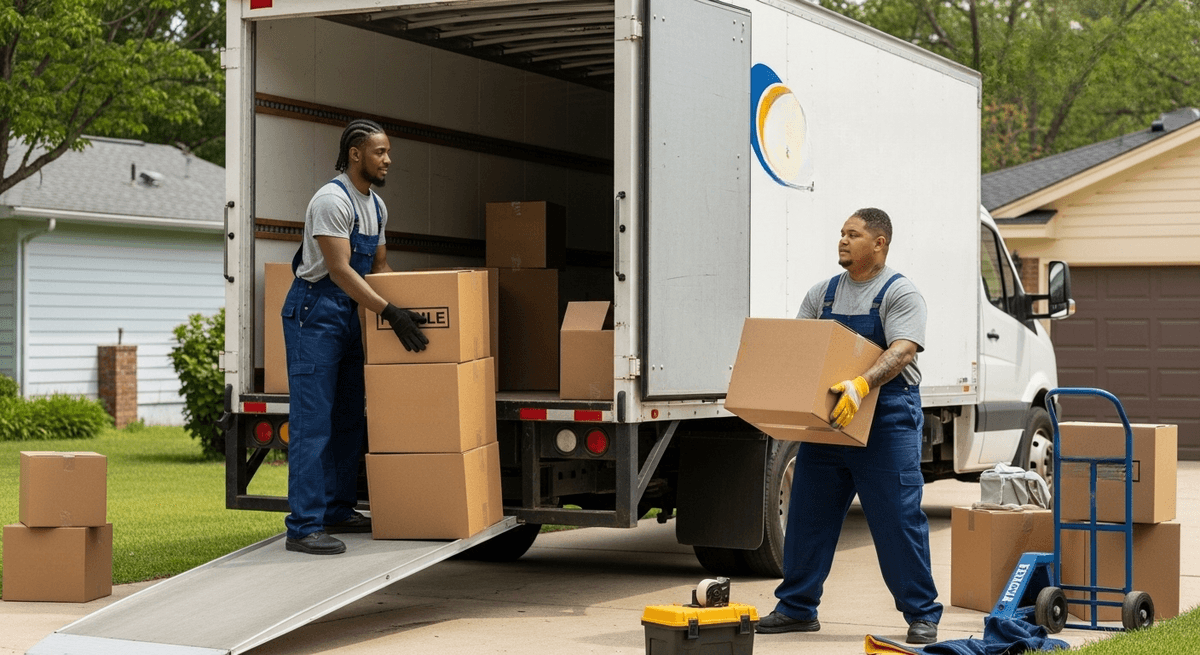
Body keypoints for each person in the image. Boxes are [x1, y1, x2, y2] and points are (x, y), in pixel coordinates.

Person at [755, 208, 943, 644]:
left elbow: (903, 351)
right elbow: (803, 350)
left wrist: (862, 383)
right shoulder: (822, 295)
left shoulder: (900, 293)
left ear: (879, 243)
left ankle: (922, 613)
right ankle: (797, 607)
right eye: (841, 233)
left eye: (853, 234)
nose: (842, 240)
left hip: (887, 418)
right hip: (830, 418)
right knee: (807, 512)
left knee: (897, 518)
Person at [281, 119, 430, 555]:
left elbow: (378, 267)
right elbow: (341, 270)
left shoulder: (377, 206)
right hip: (316, 314)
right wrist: (388, 312)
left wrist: (406, 306)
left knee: (349, 416)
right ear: (355, 154)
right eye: (380, 152)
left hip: (351, 314)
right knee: (313, 424)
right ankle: (304, 526)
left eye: (387, 152)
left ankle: (337, 509)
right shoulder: (331, 200)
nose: (388, 159)